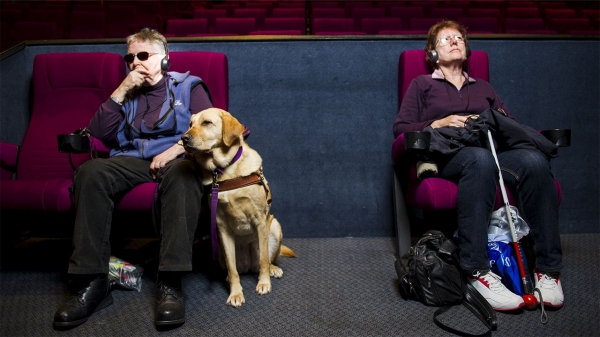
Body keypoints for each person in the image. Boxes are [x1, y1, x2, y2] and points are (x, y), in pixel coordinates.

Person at [393, 20, 564, 311]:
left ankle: (548, 271)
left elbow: (508, 123)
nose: (455, 41)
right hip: (450, 156)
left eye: (459, 37)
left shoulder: (483, 86)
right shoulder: (422, 84)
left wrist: (492, 120)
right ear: (432, 53)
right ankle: (477, 271)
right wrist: (438, 122)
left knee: (533, 161)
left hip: (490, 149)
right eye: (446, 39)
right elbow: (401, 127)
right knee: (479, 159)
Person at [53, 28, 213, 328]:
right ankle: (92, 283)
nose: (134, 62)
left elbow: (207, 132)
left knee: (184, 174)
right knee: (90, 171)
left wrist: (175, 151)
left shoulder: (188, 86)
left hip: (176, 159)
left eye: (143, 55)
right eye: (129, 57)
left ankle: (170, 281)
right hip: (130, 160)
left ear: (164, 58)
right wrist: (121, 91)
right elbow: (99, 133)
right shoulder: (126, 93)